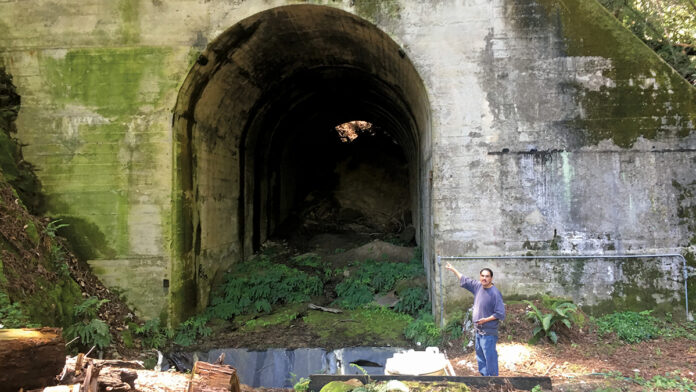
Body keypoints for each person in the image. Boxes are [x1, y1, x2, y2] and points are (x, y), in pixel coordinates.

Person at [445, 262, 505, 377]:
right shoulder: (478, 287)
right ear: (480, 277)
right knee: (480, 356)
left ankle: (493, 380)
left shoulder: (495, 293)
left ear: (491, 278)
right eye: (482, 276)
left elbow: (500, 313)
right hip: (478, 331)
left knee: (490, 356)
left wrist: (485, 320)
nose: (484, 278)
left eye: (487, 276)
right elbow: (465, 279)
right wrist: (453, 269)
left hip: (489, 332)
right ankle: (484, 378)